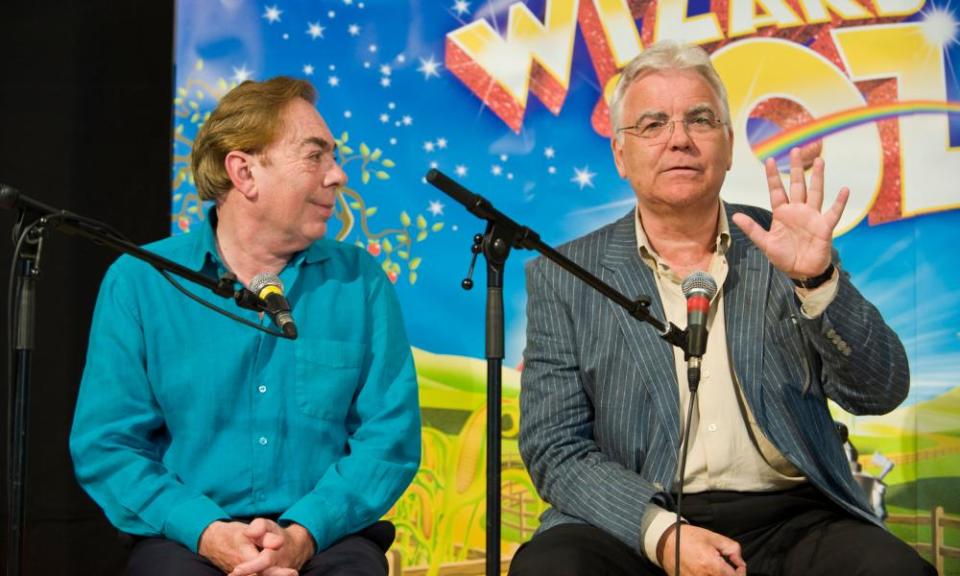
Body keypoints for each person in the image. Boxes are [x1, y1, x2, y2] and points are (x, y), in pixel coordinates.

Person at [509, 41, 935, 576]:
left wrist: (819, 281)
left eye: (700, 120)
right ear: (621, 153)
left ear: (730, 147)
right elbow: (555, 447)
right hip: (638, 519)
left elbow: (880, 391)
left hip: (794, 518)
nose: (679, 139)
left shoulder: (786, 243)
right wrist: (661, 535)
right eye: (653, 124)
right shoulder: (564, 275)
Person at [70, 77, 421, 576]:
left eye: (334, 157)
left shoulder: (359, 281)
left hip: (325, 538)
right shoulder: (142, 280)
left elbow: (390, 438)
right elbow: (108, 444)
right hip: (186, 539)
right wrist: (207, 532)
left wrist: (301, 535)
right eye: (314, 155)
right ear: (244, 172)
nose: (338, 175)